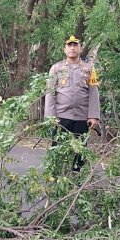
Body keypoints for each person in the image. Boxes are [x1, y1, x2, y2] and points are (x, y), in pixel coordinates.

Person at [44, 35, 100, 171]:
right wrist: (50, 117)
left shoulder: (89, 69)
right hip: (61, 117)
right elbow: (50, 92)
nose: (72, 48)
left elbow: (93, 92)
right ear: (65, 50)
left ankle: (76, 178)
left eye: (75, 45)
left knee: (79, 153)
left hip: (81, 117)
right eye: (70, 46)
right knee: (58, 150)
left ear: (80, 49)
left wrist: (93, 116)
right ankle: (57, 178)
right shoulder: (56, 68)